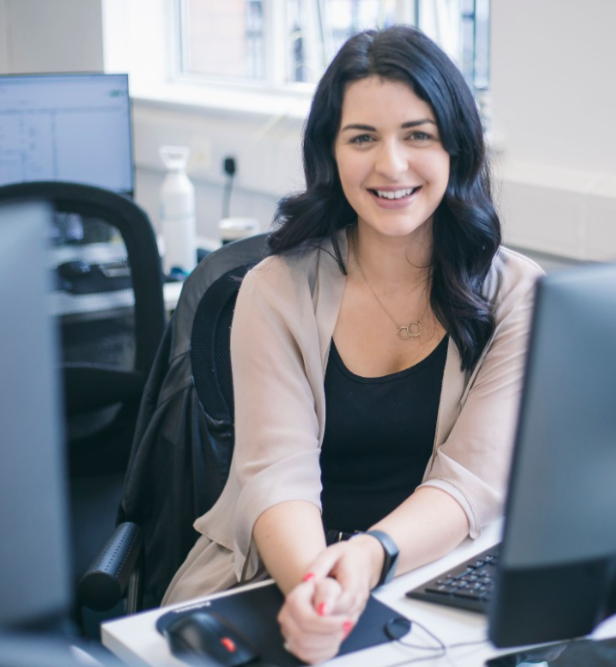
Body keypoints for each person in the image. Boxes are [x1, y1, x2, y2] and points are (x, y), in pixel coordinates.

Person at [161, 25, 543, 663]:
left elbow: (471, 482)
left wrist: (371, 557)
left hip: (433, 574)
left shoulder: (515, 293)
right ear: (330, 154)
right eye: (362, 138)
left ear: (457, 146)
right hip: (273, 576)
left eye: (418, 134)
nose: (391, 165)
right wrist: (318, 589)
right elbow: (275, 476)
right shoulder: (274, 290)